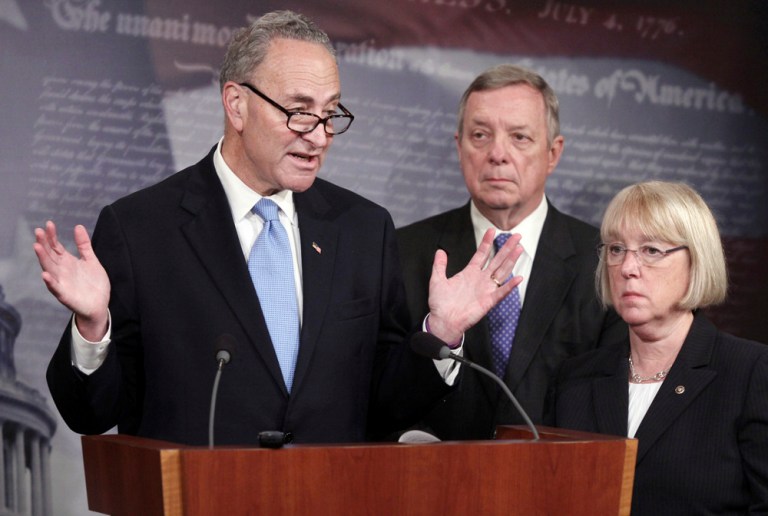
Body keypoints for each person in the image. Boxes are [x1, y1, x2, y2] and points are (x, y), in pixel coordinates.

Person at [34, 11, 524, 446]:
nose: (319, 136)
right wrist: (93, 327)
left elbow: (387, 405)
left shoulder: (362, 230)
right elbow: (91, 415)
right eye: (299, 111)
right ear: (236, 104)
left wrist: (440, 333)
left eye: (330, 113)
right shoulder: (141, 229)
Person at [397, 64, 626, 440]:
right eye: (480, 135)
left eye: (519, 137)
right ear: (459, 147)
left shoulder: (604, 261)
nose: (497, 154)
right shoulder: (405, 253)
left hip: (561, 482)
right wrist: (442, 335)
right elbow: (381, 394)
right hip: (436, 481)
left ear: (553, 153)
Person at [550, 181, 768, 514]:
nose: (627, 268)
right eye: (616, 249)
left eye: (651, 250)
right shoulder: (575, 379)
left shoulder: (749, 372)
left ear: (696, 260)